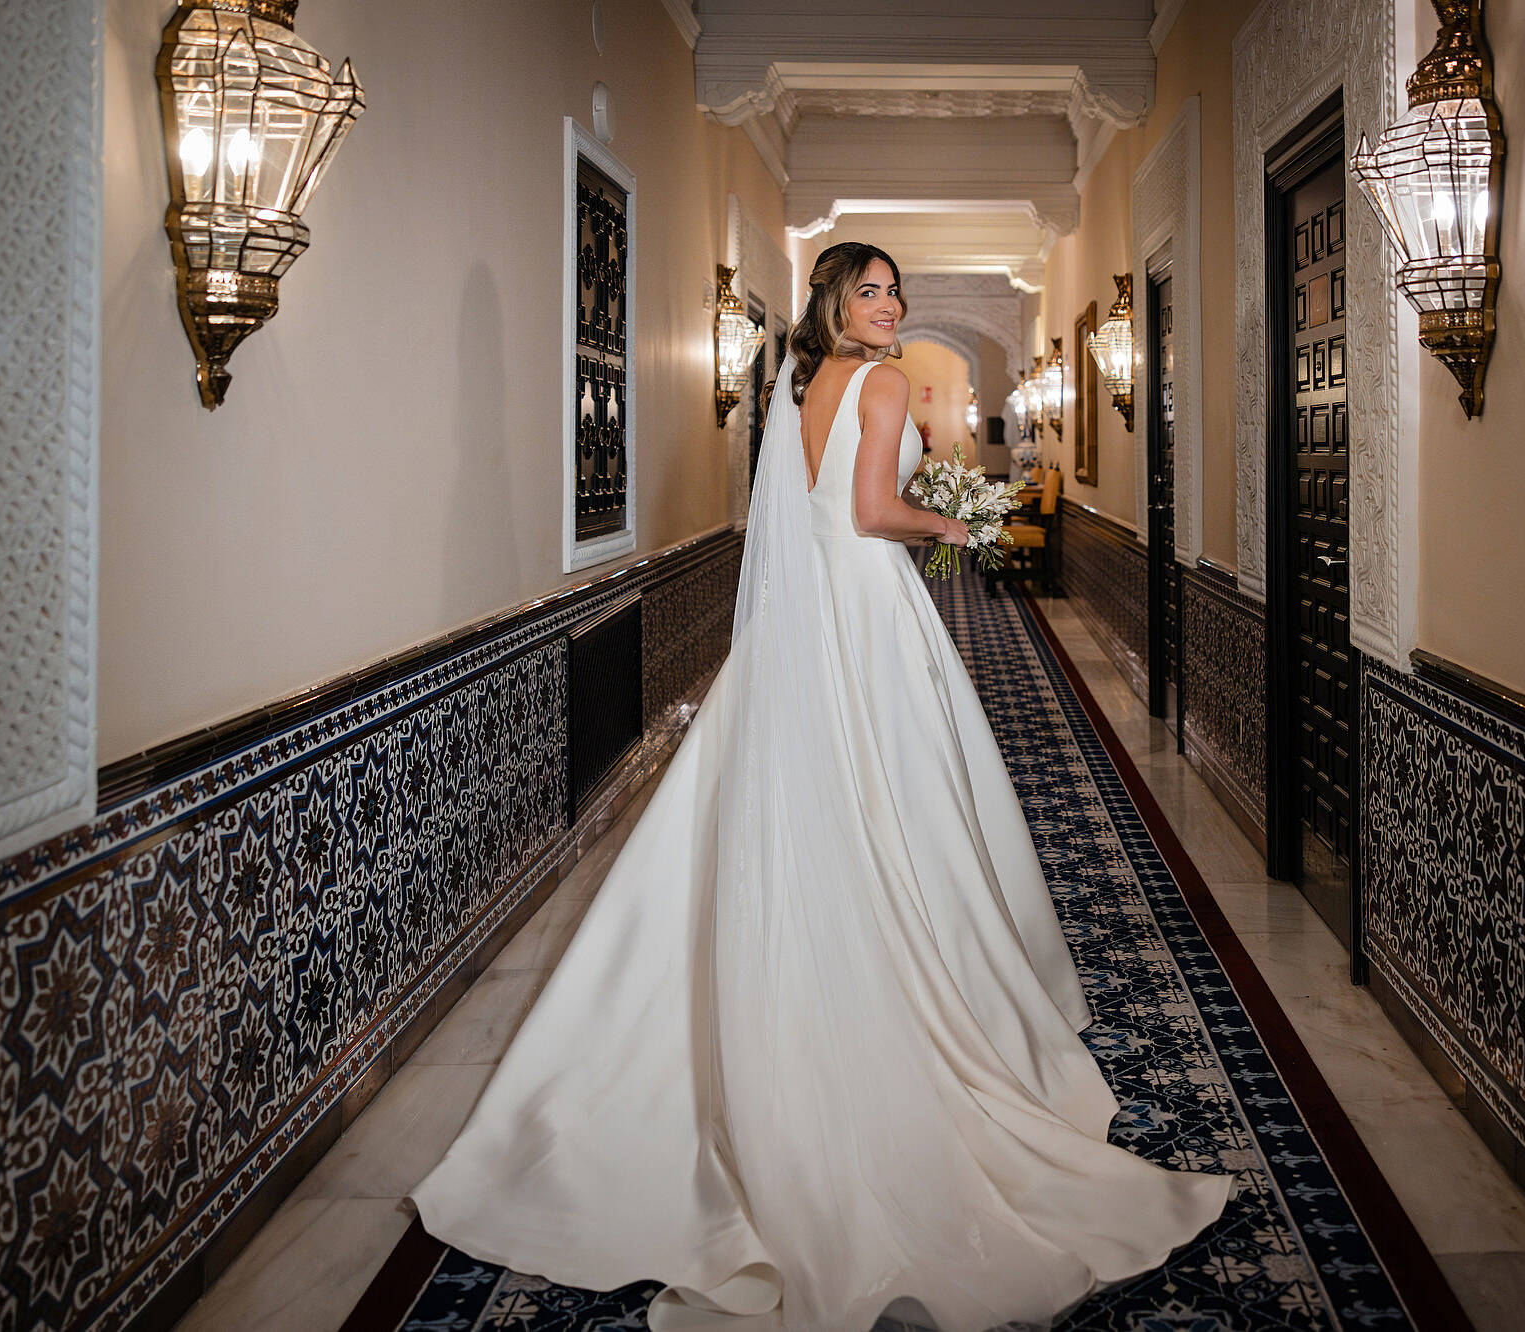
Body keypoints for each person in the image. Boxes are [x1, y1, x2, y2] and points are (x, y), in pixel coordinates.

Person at [408, 241, 1232, 1331]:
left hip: (804, 628)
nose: (888, 305)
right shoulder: (881, 381)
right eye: (870, 289)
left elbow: (805, 508)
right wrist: (958, 523)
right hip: (869, 613)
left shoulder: (804, 383)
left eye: (897, 292)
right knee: (904, 805)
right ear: (834, 301)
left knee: (808, 803)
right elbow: (867, 515)